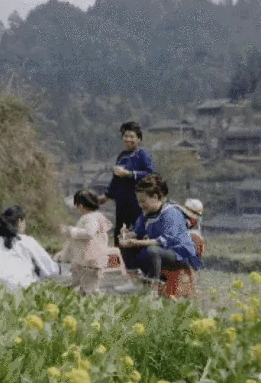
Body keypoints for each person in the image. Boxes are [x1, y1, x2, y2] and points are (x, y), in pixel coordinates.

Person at [113, 175, 203, 294]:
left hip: (178, 254)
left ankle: (152, 289)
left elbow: (165, 241)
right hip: (158, 251)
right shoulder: (146, 214)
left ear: (155, 197)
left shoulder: (171, 213)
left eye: (143, 201)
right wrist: (127, 235)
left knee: (152, 250)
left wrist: (138, 242)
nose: (141, 205)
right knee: (127, 246)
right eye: (139, 202)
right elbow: (138, 232)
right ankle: (135, 281)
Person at [0, 205, 61, 291]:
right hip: (23, 290)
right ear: (20, 221)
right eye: (25, 222)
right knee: (38, 272)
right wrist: (58, 264)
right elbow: (51, 270)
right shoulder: (26, 241)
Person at [55, 190, 125, 294]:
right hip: (88, 258)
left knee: (89, 286)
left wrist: (71, 231)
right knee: (77, 276)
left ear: (80, 206)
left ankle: (89, 295)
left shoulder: (90, 218)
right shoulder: (97, 216)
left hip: (91, 259)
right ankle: (75, 290)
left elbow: (89, 233)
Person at [98, 121, 155, 249]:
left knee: (136, 232)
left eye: (132, 136)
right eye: (125, 136)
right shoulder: (122, 156)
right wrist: (107, 196)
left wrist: (130, 174)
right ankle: (119, 258)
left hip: (137, 202)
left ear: (139, 139)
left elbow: (150, 174)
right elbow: (116, 180)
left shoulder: (143, 154)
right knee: (120, 232)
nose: (128, 139)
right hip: (121, 201)